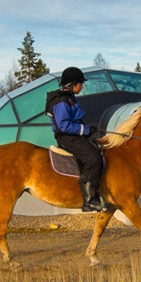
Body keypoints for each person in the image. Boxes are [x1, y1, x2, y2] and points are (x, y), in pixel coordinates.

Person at [47, 67, 110, 212]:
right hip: (67, 138)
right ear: (73, 84)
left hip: (75, 136)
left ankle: (100, 193)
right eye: (80, 84)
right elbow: (63, 125)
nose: (82, 87)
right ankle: (88, 200)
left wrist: (90, 130)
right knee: (93, 159)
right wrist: (86, 130)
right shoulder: (61, 101)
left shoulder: (70, 98)